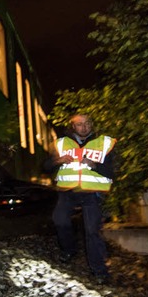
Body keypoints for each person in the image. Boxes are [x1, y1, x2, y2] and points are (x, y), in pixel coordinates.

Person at [43, 114, 117, 284]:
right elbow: (45, 167)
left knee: (92, 231)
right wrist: (57, 160)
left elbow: (112, 172)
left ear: (92, 125)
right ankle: (69, 250)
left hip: (92, 193)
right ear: (73, 127)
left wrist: (95, 165)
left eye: (87, 123)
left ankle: (99, 271)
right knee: (59, 220)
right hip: (68, 192)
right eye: (79, 124)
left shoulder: (103, 144)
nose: (84, 127)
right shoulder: (61, 143)